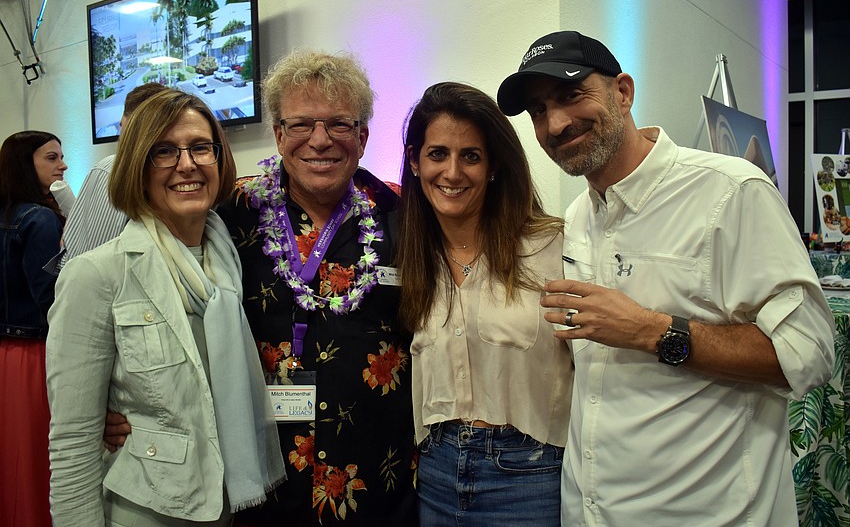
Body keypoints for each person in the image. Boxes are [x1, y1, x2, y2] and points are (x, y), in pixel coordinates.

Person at [496, 30, 836, 526]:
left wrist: (651, 331)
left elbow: (808, 354)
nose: (556, 123)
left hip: (706, 514)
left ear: (623, 92)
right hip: (593, 511)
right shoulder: (579, 217)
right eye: (538, 110)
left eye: (571, 95)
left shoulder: (731, 191)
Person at [46, 89, 286, 526]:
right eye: (164, 151)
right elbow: (72, 446)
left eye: (200, 147)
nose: (187, 164)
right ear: (137, 165)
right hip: (146, 511)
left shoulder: (236, 261)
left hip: (230, 508)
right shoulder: (97, 274)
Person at [216, 49, 417, 526]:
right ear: (279, 134)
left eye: (339, 125)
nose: (320, 141)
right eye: (301, 124)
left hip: (379, 481)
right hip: (266, 482)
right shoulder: (231, 216)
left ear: (364, 137)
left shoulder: (404, 215)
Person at [396, 82, 572, 526]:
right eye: (437, 154)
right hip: (435, 474)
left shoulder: (553, 247)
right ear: (415, 162)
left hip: (530, 478)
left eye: (470, 156)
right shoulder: (410, 257)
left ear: (493, 166)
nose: (452, 172)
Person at [0, 130, 67, 527]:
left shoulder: (11, 216)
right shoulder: (38, 218)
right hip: (34, 355)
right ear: (27, 164)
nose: (62, 165)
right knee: (35, 460)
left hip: (7, 354)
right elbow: (51, 299)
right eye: (52, 157)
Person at [54, 81, 168, 271]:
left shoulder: (112, 167)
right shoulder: (112, 169)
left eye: (123, 127)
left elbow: (83, 257)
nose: (121, 137)